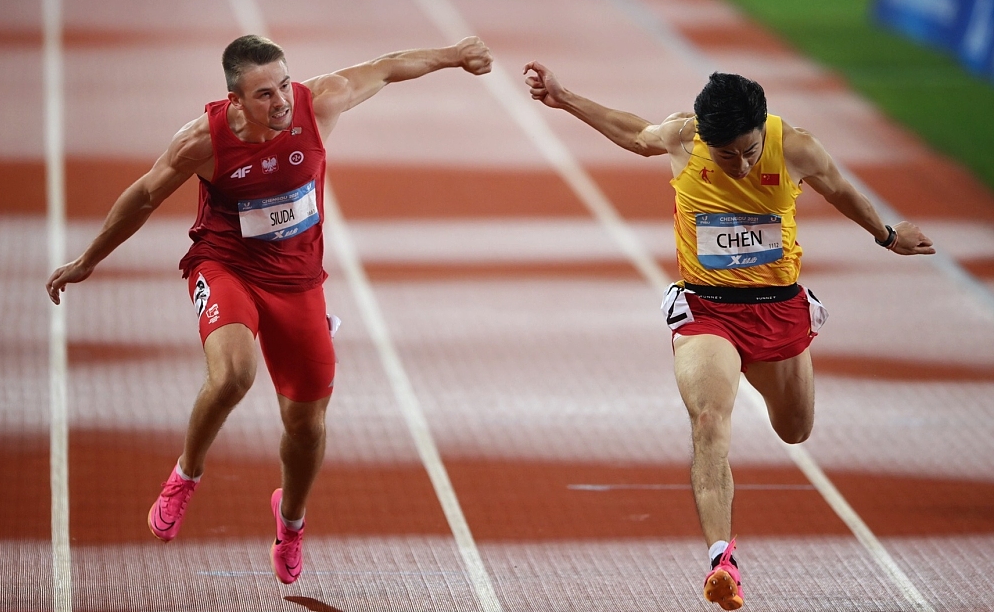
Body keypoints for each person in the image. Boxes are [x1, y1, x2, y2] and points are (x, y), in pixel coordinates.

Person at [46, 34, 493, 584]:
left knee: (306, 425)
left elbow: (389, 66)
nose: (282, 100)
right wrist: (88, 259)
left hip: (299, 283)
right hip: (226, 265)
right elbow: (143, 196)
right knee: (234, 373)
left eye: (284, 84)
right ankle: (187, 473)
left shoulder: (317, 101)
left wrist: (454, 55)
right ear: (236, 100)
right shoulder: (203, 142)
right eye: (264, 94)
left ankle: (291, 522)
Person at [522, 62, 934, 610]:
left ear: (763, 129)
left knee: (795, 430)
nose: (739, 164)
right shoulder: (683, 138)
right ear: (704, 139)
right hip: (708, 310)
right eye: (726, 156)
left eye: (749, 151)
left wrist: (887, 236)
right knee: (710, 421)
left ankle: (778, 380)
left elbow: (838, 190)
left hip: (777, 310)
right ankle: (722, 559)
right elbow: (634, 134)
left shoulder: (797, 148)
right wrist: (565, 97)